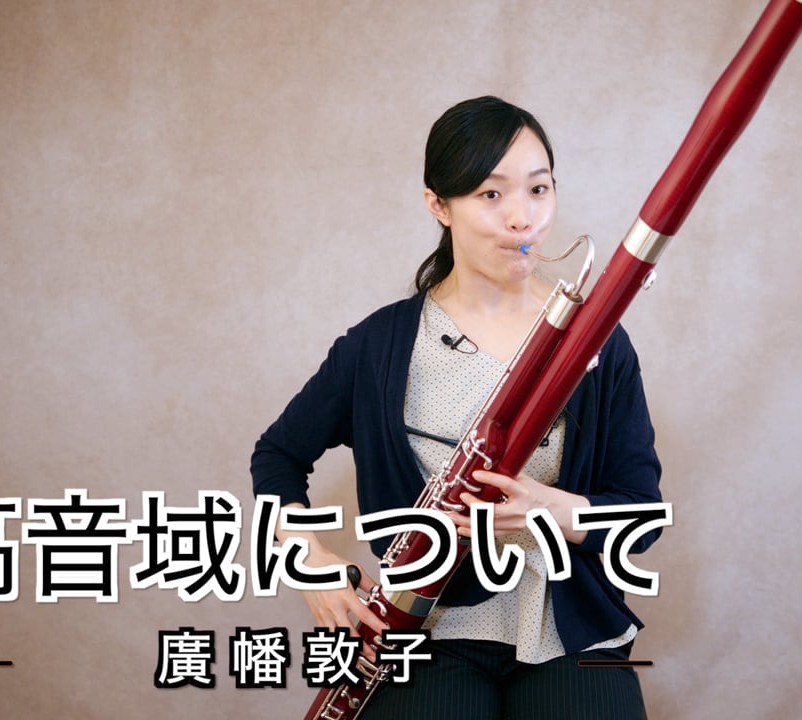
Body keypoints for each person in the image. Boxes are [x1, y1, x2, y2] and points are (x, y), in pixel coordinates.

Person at [251, 95, 662, 720]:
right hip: (425, 628)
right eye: (490, 194)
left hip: (571, 627)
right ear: (438, 205)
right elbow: (277, 455)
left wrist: (554, 511)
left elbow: (641, 514)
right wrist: (307, 557)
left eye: (538, 189)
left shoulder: (598, 341)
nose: (522, 219)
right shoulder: (378, 346)